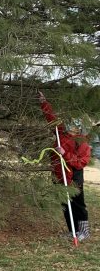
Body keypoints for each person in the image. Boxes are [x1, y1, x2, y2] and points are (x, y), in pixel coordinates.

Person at [38, 91, 91, 241]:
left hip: (74, 176)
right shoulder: (61, 133)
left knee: (78, 204)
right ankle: (72, 231)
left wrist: (64, 153)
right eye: (69, 123)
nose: (70, 126)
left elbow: (81, 162)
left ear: (79, 127)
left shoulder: (81, 141)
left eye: (74, 124)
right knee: (65, 204)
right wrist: (44, 102)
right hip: (59, 174)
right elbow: (51, 118)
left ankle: (84, 232)